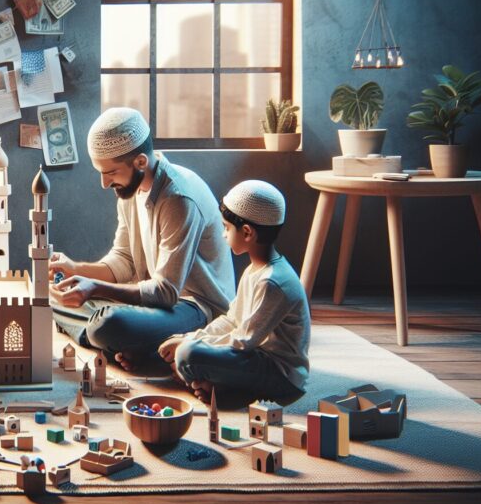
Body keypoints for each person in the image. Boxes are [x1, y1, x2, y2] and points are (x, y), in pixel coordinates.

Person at [50, 107, 235, 371]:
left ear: (139, 162)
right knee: (56, 300)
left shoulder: (178, 199)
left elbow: (166, 292)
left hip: (195, 309)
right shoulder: (128, 189)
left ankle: (158, 348)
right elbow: (123, 261)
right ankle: (143, 348)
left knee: (109, 324)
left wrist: (95, 288)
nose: (104, 183)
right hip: (156, 301)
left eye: (110, 173)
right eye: (100, 172)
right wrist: (76, 270)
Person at [158, 180, 310, 406]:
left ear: (247, 232)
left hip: (282, 375)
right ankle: (219, 388)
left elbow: (242, 341)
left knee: (187, 355)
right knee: (184, 349)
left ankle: (225, 389)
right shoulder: (254, 271)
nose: (223, 235)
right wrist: (192, 337)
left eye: (226, 228)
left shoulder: (273, 282)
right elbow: (233, 320)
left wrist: (190, 344)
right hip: (255, 357)